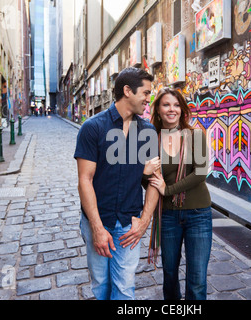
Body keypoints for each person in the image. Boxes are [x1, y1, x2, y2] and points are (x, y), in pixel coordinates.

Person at [74, 67, 159, 300]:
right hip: (97, 220)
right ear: (127, 91)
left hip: (128, 224)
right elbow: (85, 180)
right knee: (101, 286)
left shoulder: (147, 131)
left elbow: (155, 181)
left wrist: (143, 223)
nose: (148, 98)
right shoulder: (93, 128)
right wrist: (97, 228)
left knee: (124, 289)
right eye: (146, 92)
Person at [147, 87, 212, 300]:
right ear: (157, 110)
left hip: (198, 214)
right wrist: (143, 172)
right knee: (170, 275)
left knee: (197, 279)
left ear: (182, 110)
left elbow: (200, 173)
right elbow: (147, 182)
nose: (171, 109)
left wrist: (169, 189)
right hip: (167, 216)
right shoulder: (150, 140)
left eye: (176, 105)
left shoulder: (195, 135)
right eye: (166, 104)